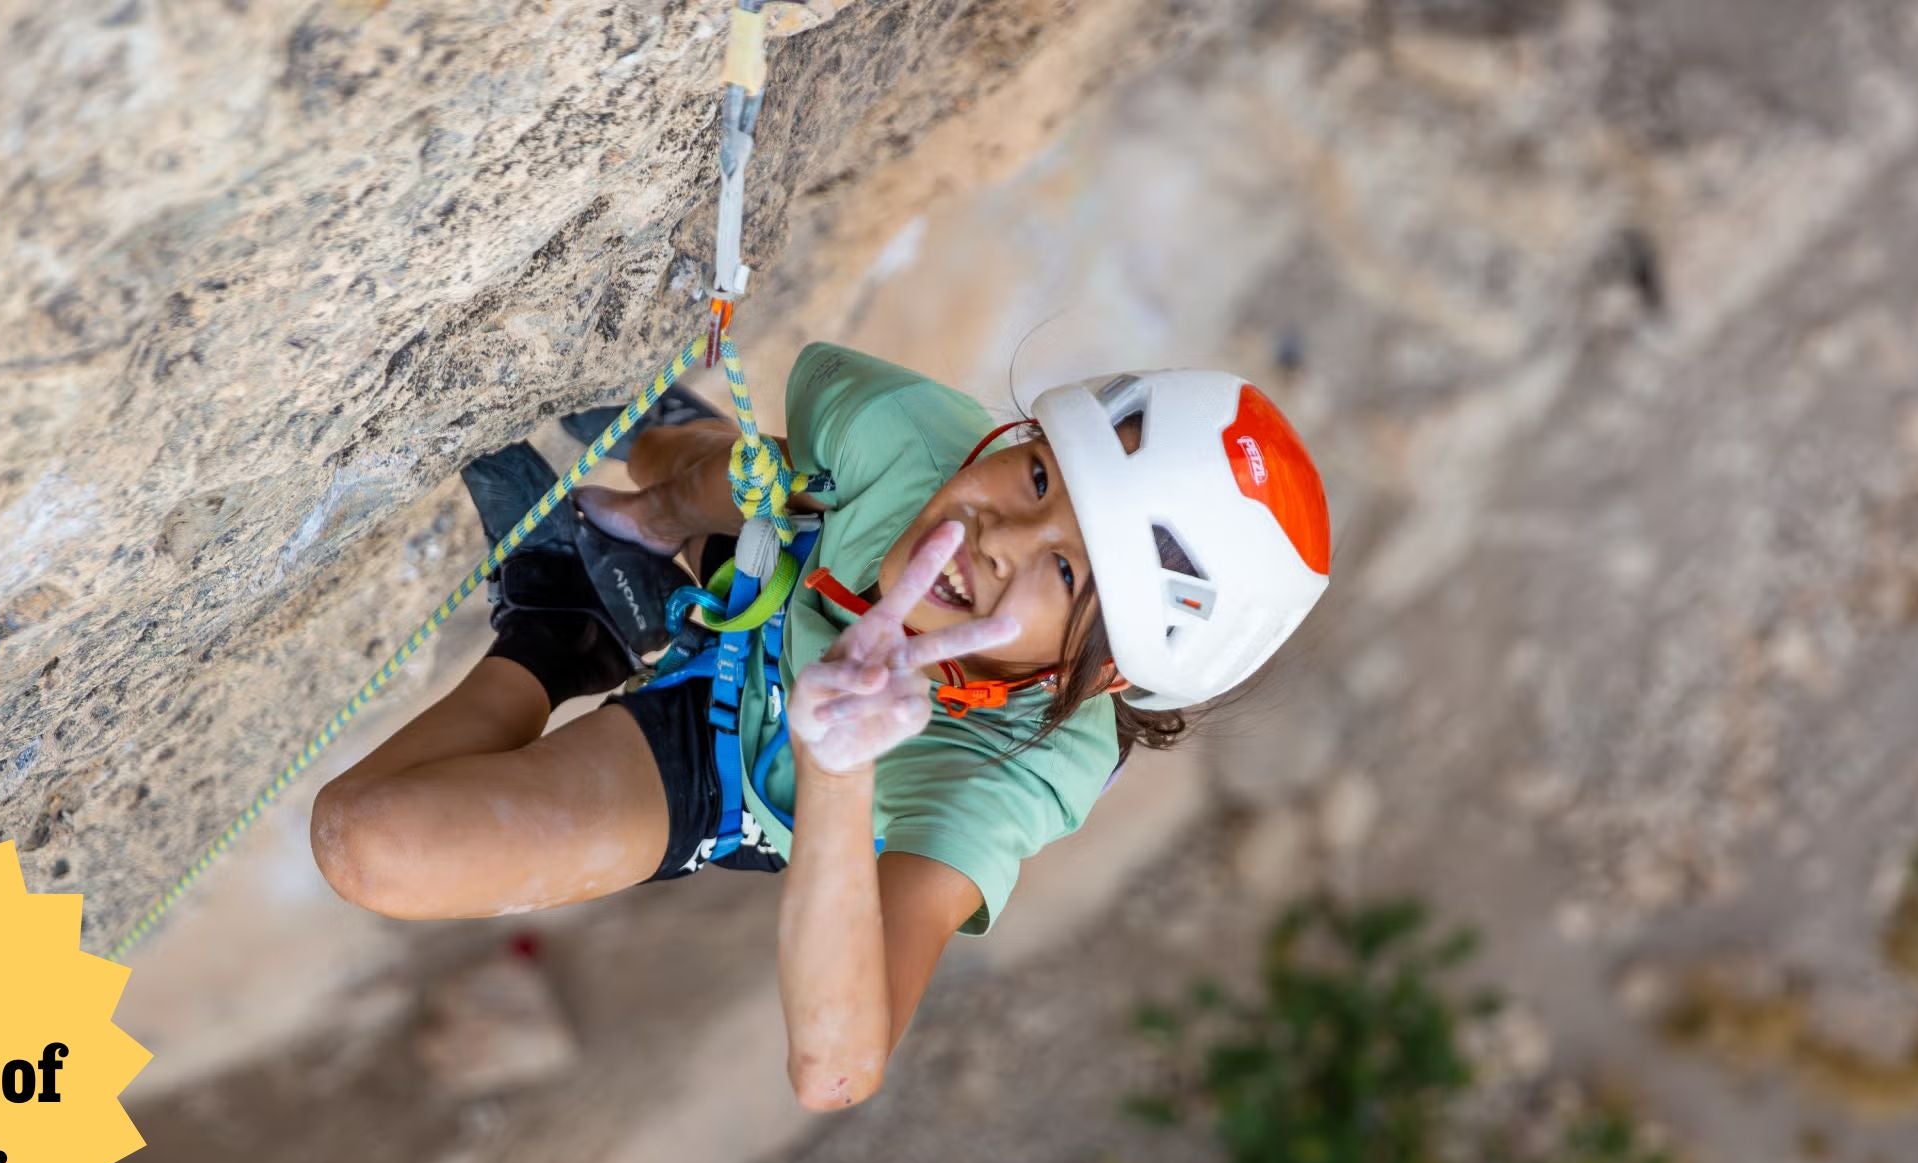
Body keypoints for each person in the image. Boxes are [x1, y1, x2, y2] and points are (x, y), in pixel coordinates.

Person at [309, 344, 1331, 1111]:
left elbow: (837, 1069)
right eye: (1036, 477)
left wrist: (844, 763)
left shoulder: (1016, 772)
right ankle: (664, 453)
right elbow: (782, 480)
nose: (991, 536)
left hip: (741, 768)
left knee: (368, 847)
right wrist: (658, 515)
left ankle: (560, 633)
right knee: (717, 460)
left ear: (1102, 672)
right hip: (781, 559)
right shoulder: (905, 435)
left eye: (1066, 572)